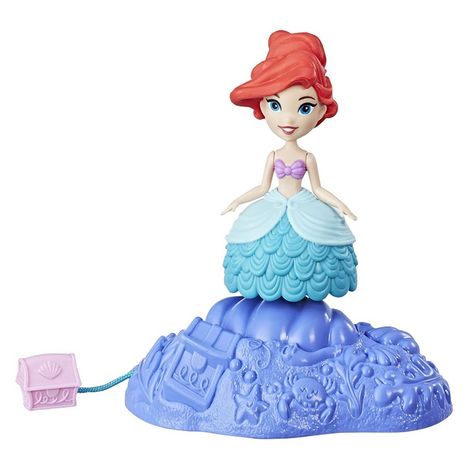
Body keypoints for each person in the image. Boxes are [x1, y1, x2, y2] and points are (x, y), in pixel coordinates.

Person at [222, 30, 358, 302]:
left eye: (304, 108)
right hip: (272, 206)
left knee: (315, 251)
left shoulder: (307, 158)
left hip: (304, 207)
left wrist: (340, 205)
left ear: (321, 110)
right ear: (263, 106)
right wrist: (238, 200)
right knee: (260, 249)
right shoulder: (273, 155)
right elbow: (263, 186)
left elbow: (318, 188)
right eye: (275, 105)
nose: (288, 119)